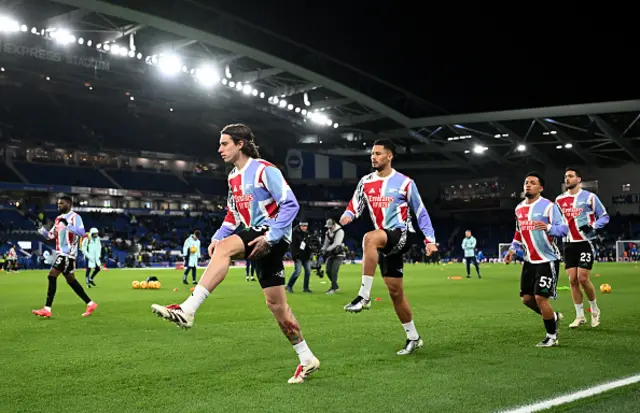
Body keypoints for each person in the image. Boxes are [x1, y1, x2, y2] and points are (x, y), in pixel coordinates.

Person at [151, 124, 320, 383]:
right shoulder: (232, 177)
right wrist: (218, 235)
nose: (219, 149)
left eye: (224, 144)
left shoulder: (265, 170)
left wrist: (270, 236)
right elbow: (233, 214)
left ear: (240, 144)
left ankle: (188, 309)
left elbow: (290, 204)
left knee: (226, 249)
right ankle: (307, 357)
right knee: (277, 306)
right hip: (259, 238)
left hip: (271, 233)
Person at [339, 139, 437, 355]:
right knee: (395, 292)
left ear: (390, 156)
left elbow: (421, 212)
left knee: (369, 238)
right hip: (385, 241)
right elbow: (354, 206)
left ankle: (364, 296)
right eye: (372, 153)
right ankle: (414, 338)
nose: (373, 157)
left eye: (378, 153)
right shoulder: (365, 182)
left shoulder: (404, 183)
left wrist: (430, 240)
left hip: (402, 234)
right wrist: (347, 216)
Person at [504, 172, 567, 347]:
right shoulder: (519, 208)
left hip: (547, 260)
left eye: (532, 183)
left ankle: (552, 336)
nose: (528, 185)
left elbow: (563, 230)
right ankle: (553, 317)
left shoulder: (549, 206)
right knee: (527, 299)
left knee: (540, 298)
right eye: (526, 183)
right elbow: (518, 232)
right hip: (529, 260)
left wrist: (547, 227)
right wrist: (512, 249)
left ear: (541, 188)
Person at [556, 167, 610, 328]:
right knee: (572, 280)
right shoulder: (559, 200)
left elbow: (605, 216)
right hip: (568, 243)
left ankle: (594, 311)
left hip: (586, 242)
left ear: (578, 179)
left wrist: (593, 225)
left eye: (571, 176)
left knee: (583, 278)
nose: (567, 179)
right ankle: (580, 316)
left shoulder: (590, 197)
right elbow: (556, 221)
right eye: (566, 176)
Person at [32, 196, 98, 318]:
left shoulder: (75, 217)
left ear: (69, 204)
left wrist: (68, 225)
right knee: (71, 280)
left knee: (52, 275)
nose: (59, 205)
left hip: (67, 254)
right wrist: (40, 228)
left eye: (61, 203)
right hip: (61, 253)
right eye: (58, 204)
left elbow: (82, 233)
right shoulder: (58, 219)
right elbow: (50, 236)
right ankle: (90, 303)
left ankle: (47, 308)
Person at [286, 221, 312, 293]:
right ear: (300, 226)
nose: (305, 227)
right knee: (298, 271)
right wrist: (295, 255)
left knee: (308, 271)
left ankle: (306, 288)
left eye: (306, 226)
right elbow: (293, 246)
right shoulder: (294, 233)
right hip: (298, 256)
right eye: (303, 226)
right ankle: (289, 286)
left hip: (306, 256)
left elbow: (308, 245)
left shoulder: (307, 233)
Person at [322, 218, 346, 294]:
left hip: (339, 253)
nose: (329, 228)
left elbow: (337, 243)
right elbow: (325, 243)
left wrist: (327, 250)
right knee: (328, 270)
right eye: (328, 227)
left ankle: (333, 288)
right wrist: (322, 250)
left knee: (334, 271)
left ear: (334, 225)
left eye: (330, 227)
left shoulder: (340, 231)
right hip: (331, 254)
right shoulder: (327, 233)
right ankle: (335, 286)